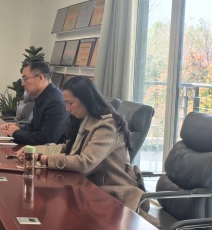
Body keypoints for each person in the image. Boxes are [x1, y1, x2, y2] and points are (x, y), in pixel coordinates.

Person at [17, 76, 144, 211]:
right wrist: (33, 150)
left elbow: (85, 163)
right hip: (87, 188)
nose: (67, 108)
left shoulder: (108, 126)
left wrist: (42, 159)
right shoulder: (86, 119)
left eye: (70, 103)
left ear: (86, 100)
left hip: (112, 195)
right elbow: (67, 148)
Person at [0, 59, 68, 145]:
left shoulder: (55, 103)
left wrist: (16, 133)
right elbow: (34, 127)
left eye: (25, 79)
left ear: (41, 77)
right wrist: (17, 127)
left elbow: (46, 139)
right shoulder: (43, 97)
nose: (22, 84)